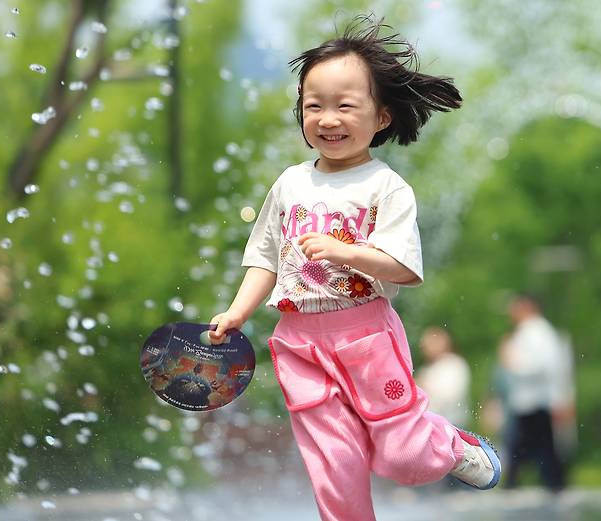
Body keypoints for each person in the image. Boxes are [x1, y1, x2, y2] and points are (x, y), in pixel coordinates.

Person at [208, 15, 501, 520]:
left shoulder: (386, 188)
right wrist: (236, 312)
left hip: (365, 335)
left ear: (382, 116)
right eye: (313, 106)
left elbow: (403, 268)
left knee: (404, 457)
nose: (328, 118)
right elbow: (265, 259)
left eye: (345, 105)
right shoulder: (289, 184)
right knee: (335, 467)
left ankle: (451, 445)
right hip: (300, 342)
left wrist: (344, 252)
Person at [498, 293, 568, 492]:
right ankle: (550, 484)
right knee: (534, 447)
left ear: (526, 307)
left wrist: (512, 363)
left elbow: (542, 366)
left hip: (535, 401)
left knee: (536, 447)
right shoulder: (527, 331)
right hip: (527, 401)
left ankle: (549, 485)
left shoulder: (538, 331)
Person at [415, 327, 471, 429]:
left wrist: (424, 385)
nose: (426, 346)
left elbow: (451, 395)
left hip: (452, 423)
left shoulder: (454, 364)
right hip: (431, 424)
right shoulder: (425, 369)